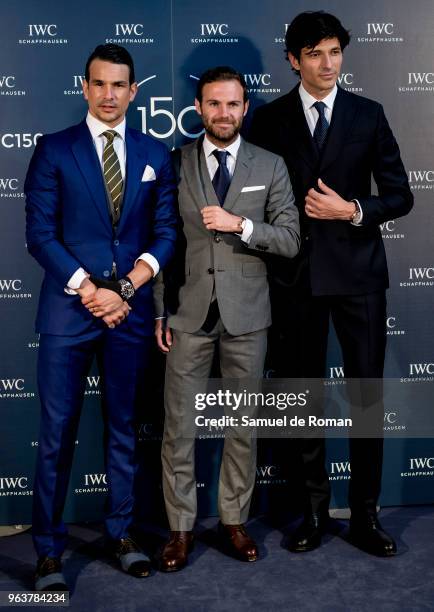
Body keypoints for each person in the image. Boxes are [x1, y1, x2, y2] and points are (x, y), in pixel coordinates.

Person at [249, 11, 413, 557]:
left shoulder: (369, 114)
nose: (327, 63)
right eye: (314, 54)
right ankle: (312, 513)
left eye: (335, 52)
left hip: (360, 277)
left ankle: (365, 515)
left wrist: (353, 209)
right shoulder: (269, 121)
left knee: (367, 398)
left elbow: (400, 194)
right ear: (293, 60)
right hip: (294, 279)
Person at [25, 43, 177, 590]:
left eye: (120, 85)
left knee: (121, 429)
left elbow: (166, 233)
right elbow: (40, 234)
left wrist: (128, 287)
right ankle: (47, 551)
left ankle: (122, 535)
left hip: (128, 313)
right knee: (56, 434)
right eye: (99, 84)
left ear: (133, 91)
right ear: (84, 87)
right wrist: (91, 289)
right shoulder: (54, 150)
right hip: (69, 312)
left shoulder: (155, 154)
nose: (109, 95)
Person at [154, 66, 300, 572]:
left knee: (242, 426)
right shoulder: (176, 163)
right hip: (188, 315)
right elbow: (163, 245)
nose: (223, 113)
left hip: (248, 317)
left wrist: (241, 224)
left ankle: (234, 522)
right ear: (199, 108)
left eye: (232, 104)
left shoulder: (271, 165)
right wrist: (159, 309)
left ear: (245, 108)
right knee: (179, 428)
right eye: (213, 104)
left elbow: (290, 239)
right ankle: (180, 530)